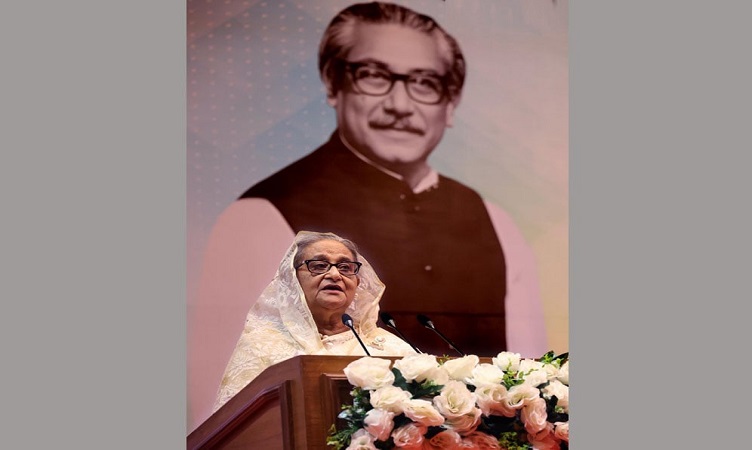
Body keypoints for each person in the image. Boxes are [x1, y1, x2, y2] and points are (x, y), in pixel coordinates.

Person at [189, 0, 548, 430]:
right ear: (333, 85)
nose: (400, 105)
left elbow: (530, 378)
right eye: (374, 75)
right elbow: (217, 418)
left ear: (450, 103)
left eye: (425, 82)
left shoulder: (496, 221)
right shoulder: (258, 215)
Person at [213, 230, 416, 410]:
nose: (335, 274)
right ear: (292, 280)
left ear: (357, 282)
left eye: (345, 267)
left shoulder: (391, 348)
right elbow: (232, 422)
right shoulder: (262, 345)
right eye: (319, 266)